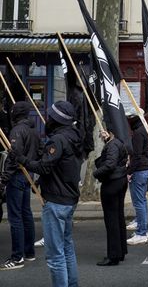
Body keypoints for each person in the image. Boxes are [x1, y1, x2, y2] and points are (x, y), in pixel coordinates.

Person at [10, 101, 83, 287]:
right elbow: (61, 166)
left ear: (57, 120)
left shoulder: (58, 140)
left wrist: (21, 159)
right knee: (67, 248)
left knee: (55, 256)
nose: (48, 119)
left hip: (57, 201)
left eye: (51, 116)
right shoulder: (74, 136)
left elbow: (44, 167)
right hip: (69, 198)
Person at [0, 101, 40, 270]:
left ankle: (17, 257)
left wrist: (3, 179)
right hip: (27, 175)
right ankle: (29, 252)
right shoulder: (33, 129)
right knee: (26, 214)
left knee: (15, 217)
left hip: (17, 176)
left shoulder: (17, 130)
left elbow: (13, 157)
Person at [94, 129, 128, 266]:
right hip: (120, 180)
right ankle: (121, 251)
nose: (101, 133)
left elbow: (110, 164)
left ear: (110, 131)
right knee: (119, 217)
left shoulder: (113, 145)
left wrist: (96, 173)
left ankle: (113, 255)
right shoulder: (117, 142)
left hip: (112, 183)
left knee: (112, 220)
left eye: (104, 131)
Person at [126, 109, 148, 245]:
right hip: (145, 168)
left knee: (139, 202)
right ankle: (142, 228)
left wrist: (129, 171)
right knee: (142, 201)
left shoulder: (138, 133)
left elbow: (136, 155)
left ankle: (142, 232)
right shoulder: (145, 129)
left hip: (139, 171)